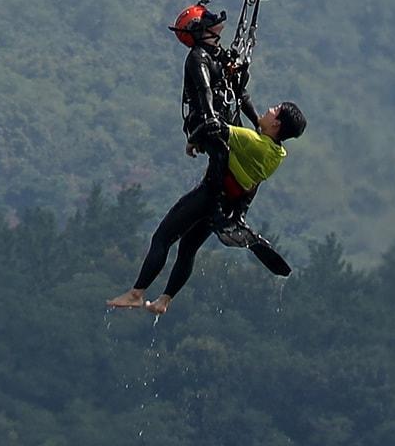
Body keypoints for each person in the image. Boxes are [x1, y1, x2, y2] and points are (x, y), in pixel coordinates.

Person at [106, 99, 306, 314]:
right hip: (226, 205)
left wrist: (192, 140)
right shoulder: (276, 155)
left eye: (275, 110)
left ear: (276, 124)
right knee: (188, 249)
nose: (268, 109)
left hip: (208, 195)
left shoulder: (251, 141)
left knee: (163, 238)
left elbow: (212, 127)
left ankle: (137, 293)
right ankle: (164, 300)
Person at [169, 0, 244, 150]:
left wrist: (257, 123)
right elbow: (204, 88)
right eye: (207, 18)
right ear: (198, 29)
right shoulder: (197, 58)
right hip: (204, 121)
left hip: (223, 116)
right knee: (221, 155)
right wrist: (210, 117)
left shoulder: (218, 53)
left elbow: (240, 92)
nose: (213, 18)